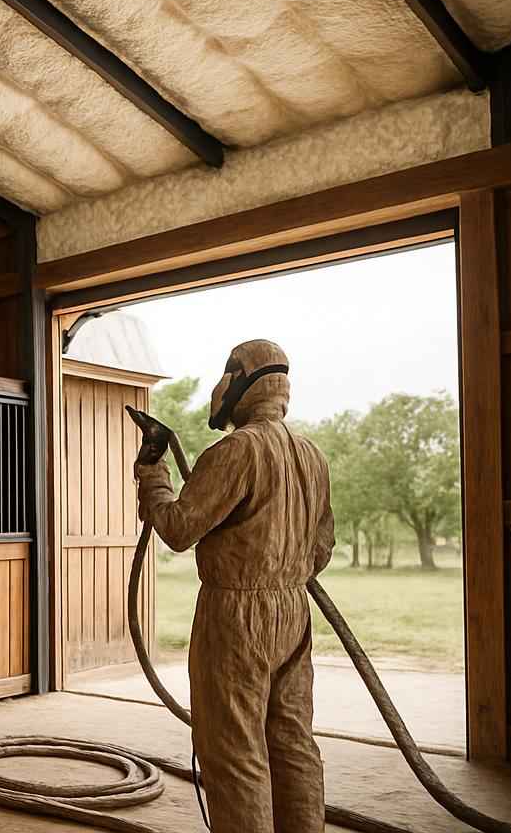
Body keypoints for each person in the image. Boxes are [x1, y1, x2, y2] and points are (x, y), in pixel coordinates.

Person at [134, 339, 334, 833]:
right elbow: (322, 547)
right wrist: (281, 572)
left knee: (235, 750)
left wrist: (152, 470)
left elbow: (179, 528)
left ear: (244, 382)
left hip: (235, 616)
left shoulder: (236, 450)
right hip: (293, 613)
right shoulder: (312, 455)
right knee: (292, 742)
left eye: (226, 374)